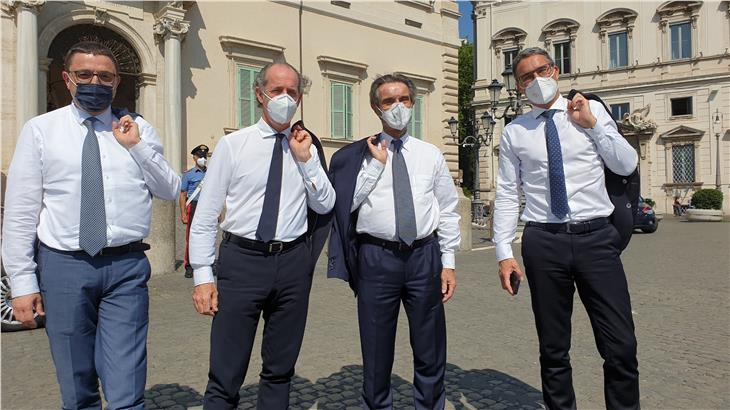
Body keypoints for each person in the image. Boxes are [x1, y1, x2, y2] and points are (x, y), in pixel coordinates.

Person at [1, 41, 180, 409]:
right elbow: (21, 211)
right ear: (68, 79)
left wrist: (137, 147)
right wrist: (21, 283)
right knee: (76, 383)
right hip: (64, 267)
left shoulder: (138, 128)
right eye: (84, 74)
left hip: (126, 267)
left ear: (116, 83)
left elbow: (170, 187)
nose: (94, 81)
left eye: (104, 76)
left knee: (127, 384)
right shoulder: (41, 130)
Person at [492, 47, 640, 410]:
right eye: (526, 76)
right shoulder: (515, 132)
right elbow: (509, 193)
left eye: (542, 71)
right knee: (553, 349)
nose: (536, 80)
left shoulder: (590, 110)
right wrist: (503, 254)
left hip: (596, 239)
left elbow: (625, 165)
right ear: (518, 86)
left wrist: (592, 124)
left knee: (621, 345)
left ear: (555, 71)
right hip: (544, 242)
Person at [188, 62, 335, 410]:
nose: (285, 98)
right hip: (242, 263)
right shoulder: (232, 145)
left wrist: (307, 161)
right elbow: (206, 215)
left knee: (280, 369)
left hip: (293, 264)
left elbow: (327, 203)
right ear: (259, 94)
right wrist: (203, 276)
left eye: (293, 92)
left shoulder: (307, 147)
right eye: (277, 90)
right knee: (226, 370)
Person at [327, 74, 460, 410]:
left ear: (412, 103)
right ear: (376, 107)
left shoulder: (430, 154)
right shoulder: (359, 155)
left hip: (423, 257)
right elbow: (345, 205)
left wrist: (449, 263)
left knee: (430, 348)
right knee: (376, 349)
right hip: (377, 258)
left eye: (403, 99)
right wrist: (375, 166)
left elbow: (447, 209)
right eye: (389, 101)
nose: (397, 107)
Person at [180, 144, 209, 278]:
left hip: (207, 206)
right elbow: (183, 194)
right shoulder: (188, 175)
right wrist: (183, 213)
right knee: (190, 237)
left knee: (207, 235)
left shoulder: (211, 173)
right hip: (193, 205)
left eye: (204, 156)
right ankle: (189, 265)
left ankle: (206, 263)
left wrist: (219, 212)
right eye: (200, 156)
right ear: (194, 157)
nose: (202, 158)